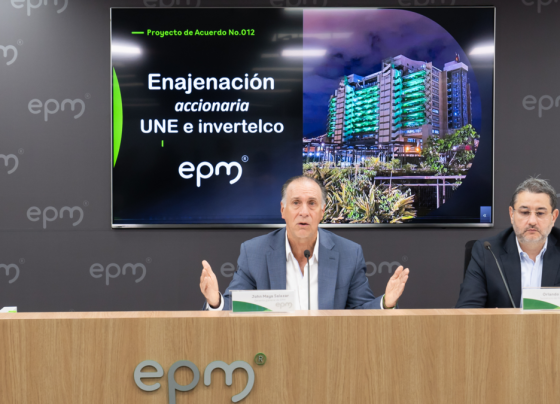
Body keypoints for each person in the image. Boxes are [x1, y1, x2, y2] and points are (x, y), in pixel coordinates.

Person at [199, 175, 410, 310]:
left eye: (312, 203)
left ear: (322, 212)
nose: (304, 212)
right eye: (296, 203)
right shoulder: (254, 252)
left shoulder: (349, 253)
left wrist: (386, 303)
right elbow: (236, 307)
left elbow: (361, 311)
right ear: (283, 210)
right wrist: (215, 301)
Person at [456, 177, 560, 308]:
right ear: (512, 214)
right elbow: (468, 309)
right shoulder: (487, 253)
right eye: (525, 212)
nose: (532, 221)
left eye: (540, 213)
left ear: (553, 217)